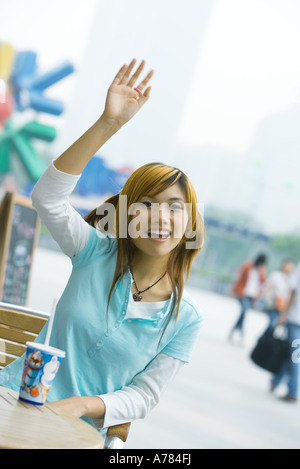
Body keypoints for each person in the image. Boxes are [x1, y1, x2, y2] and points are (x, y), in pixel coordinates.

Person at [0, 59, 204, 433]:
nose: (161, 217)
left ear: (190, 223)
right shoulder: (94, 252)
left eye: (175, 208)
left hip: (71, 434)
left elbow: (143, 395)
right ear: (125, 217)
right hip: (10, 404)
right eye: (146, 205)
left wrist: (79, 407)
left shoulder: (184, 318)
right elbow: (47, 198)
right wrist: (109, 123)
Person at [271, 262, 300, 403]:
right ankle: (275, 382)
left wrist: (284, 314)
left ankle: (293, 391)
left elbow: (294, 292)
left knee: (294, 356)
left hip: (295, 319)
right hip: (295, 320)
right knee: (291, 353)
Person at [229, 254, 267, 341]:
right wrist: (234, 290)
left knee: (243, 313)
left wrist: (259, 294)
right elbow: (240, 278)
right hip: (243, 293)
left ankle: (233, 331)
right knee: (244, 311)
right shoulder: (248, 266)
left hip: (252, 296)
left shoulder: (261, 270)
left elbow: (263, 283)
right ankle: (241, 334)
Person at [262, 260, 295, 330]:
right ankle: (265, 339)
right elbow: (267, 287)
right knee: (272, 323)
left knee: (274, 325)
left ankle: (266, 339)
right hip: (273, 304)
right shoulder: (276, 275)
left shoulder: (292, 279)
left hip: (284, 306)